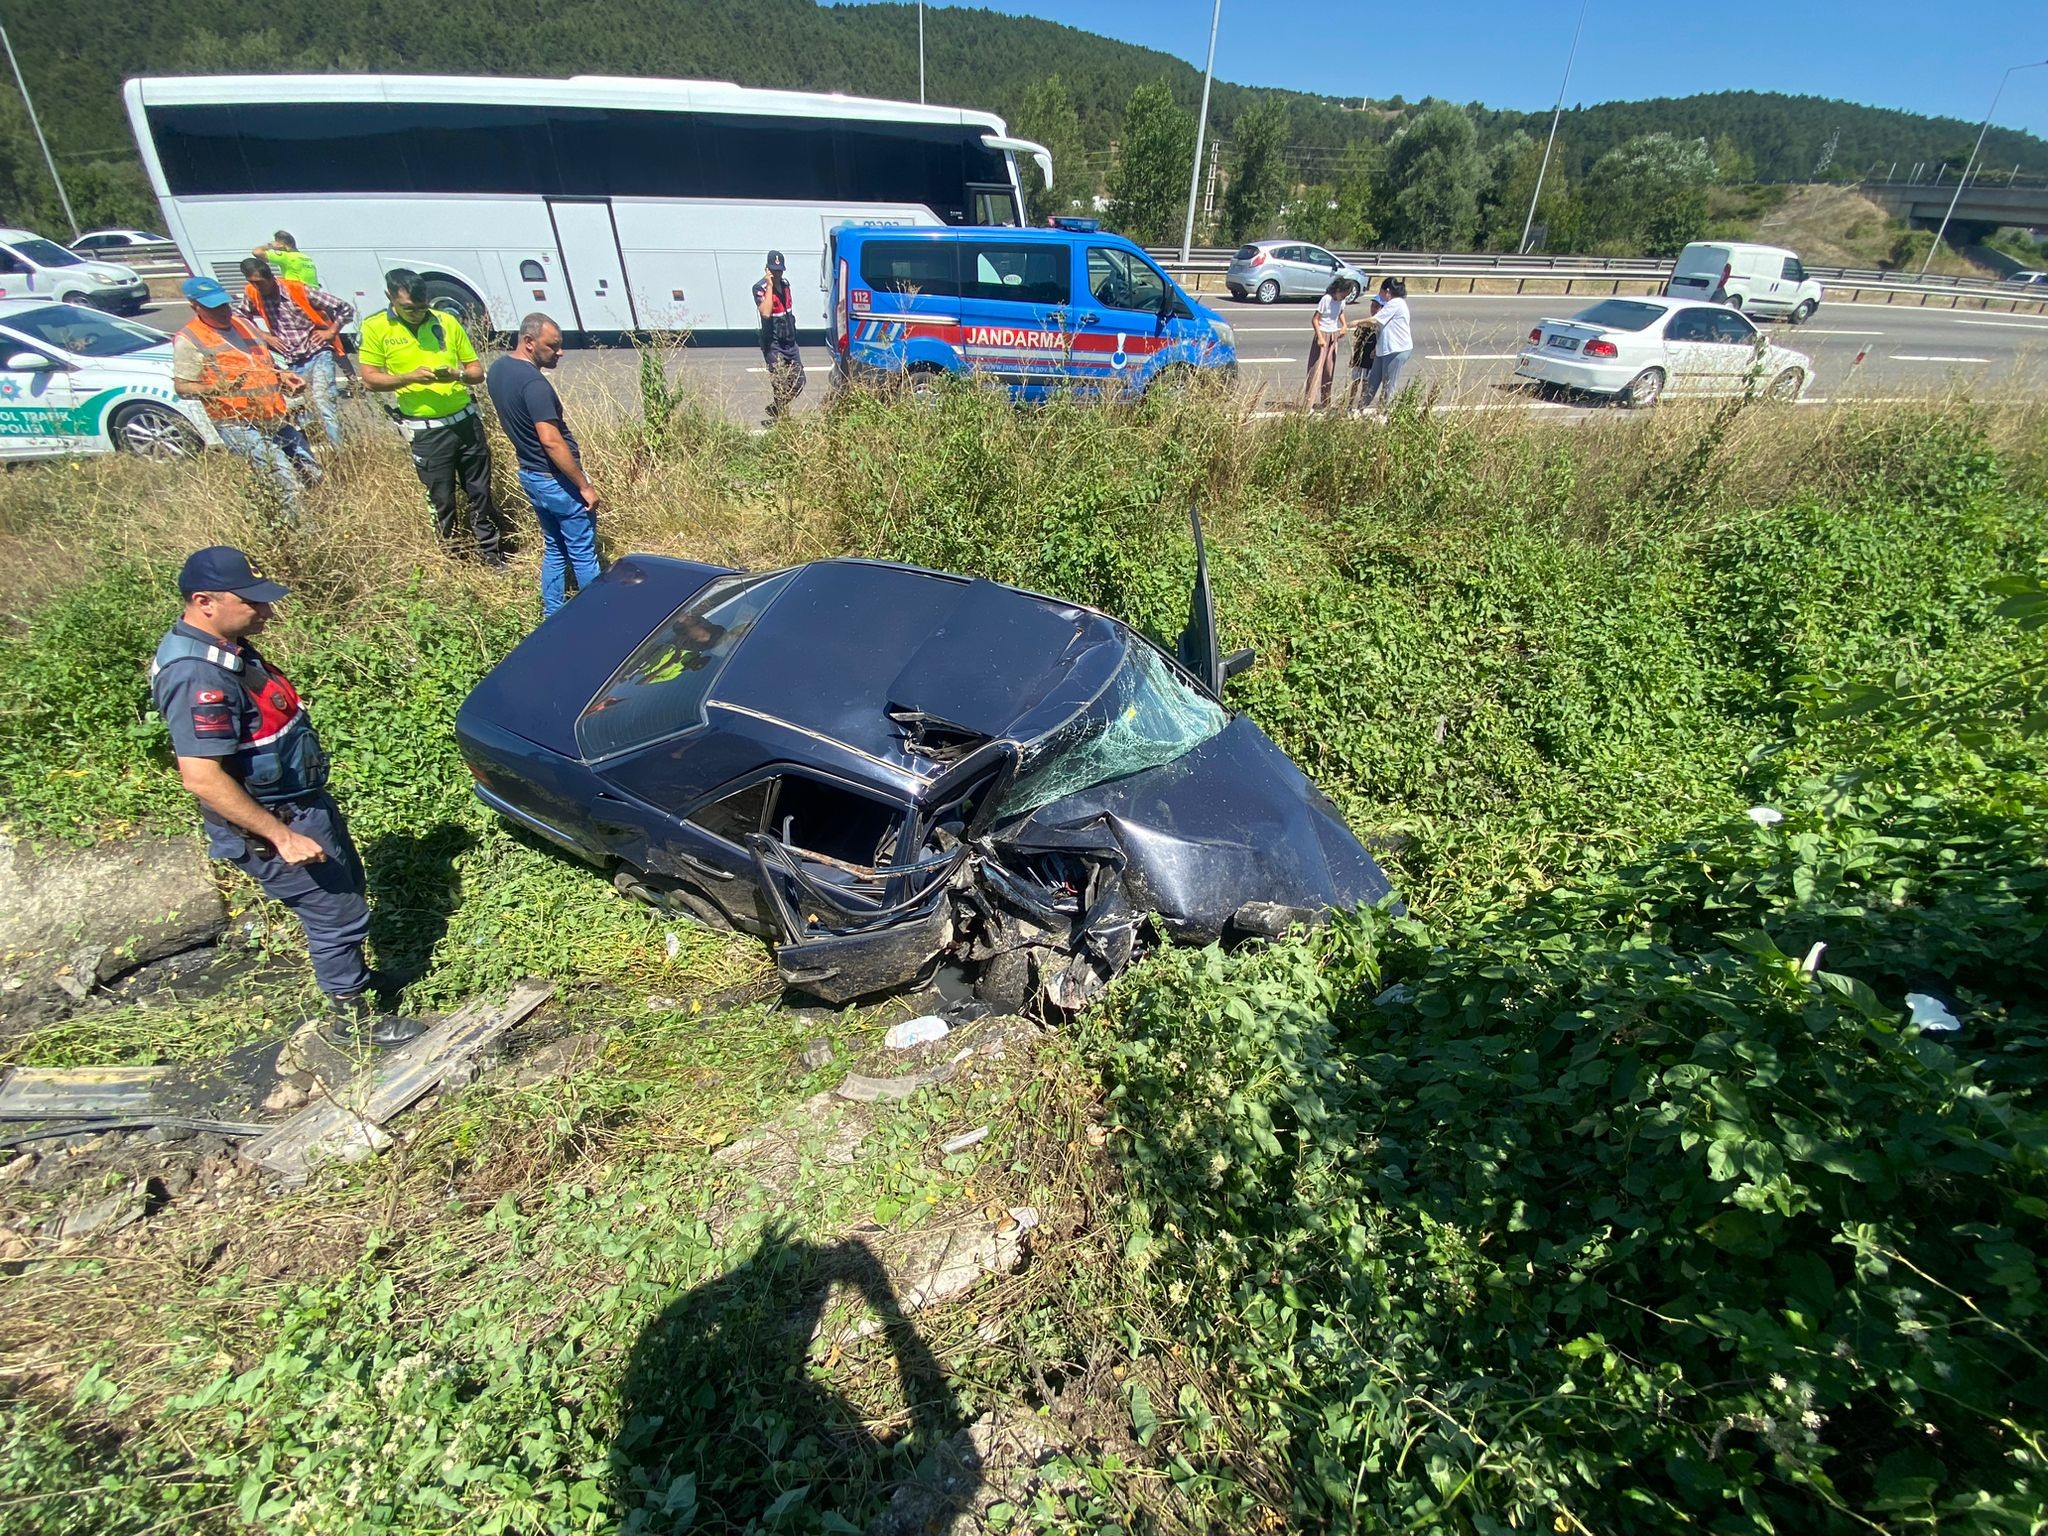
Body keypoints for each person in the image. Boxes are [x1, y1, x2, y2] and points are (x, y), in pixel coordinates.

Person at [150, 547, 422, 1049]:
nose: (267, 612)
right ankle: (353, 1022)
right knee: (334, 914)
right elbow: (202, 777)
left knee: (346, 894)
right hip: (276, 824)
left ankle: (357, 985)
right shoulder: (196, 675)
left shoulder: (224, 644)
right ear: (203, 601)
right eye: (252, 602)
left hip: (301, 804)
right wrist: (282, 837)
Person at [357, 269, 506, 565]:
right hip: (426, 432)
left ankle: (491, 553)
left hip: (465, 422)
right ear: (390, 298)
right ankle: (452, 558)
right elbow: (370, 380)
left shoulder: (446, 322)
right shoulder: (376, 328)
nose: (416, 314)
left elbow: (476, 372)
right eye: (408, 308)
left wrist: (456, 374)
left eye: (422, 307)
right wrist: (408, 378)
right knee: (442, 499)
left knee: (480, 491)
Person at [170, 276, 322, 516]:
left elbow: (263, 363)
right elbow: (183, 387)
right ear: (194, 306)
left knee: (311, 469)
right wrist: (216, 390)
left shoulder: (245, 325)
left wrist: (283, 377)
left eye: (224, 304)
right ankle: (302, 531)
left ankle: (322, 515)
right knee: (283, 477)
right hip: (237, 423)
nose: (222, 312)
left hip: (274, 414)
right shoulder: (189, 340)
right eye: (213, 307)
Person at [487, 313, 602, 617]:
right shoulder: (534, 384)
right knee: (582, 553)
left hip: (530, 474)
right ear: (528, 342)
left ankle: (553, 615)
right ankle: (597, 616)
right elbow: (551, 440)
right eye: (552, 346)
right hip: (556, 480)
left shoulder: (498, 370)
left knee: (554, 547)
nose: (560, 352)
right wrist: (584, 485)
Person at [238, 256, 355, 449]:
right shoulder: (253, 293)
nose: (256, 287)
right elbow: (240, 317)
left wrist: (331, 332)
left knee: (323, 401)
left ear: (270, 278)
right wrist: (264, 336)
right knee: (299, 408)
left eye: (259, 282)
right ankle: (315, 448)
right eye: (251, 282)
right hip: (291, 360)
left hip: (317, 352)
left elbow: (345, 308)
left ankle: (339, 451)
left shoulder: (296, 290)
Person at [752, 251, 804, 423]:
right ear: (767, 269)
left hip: (790, 342)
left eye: (780, 270)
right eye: (774, 270)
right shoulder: (760, 288)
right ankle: (782, 419)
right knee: (780, 383)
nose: (777, 274)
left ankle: (777, 408)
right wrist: (770, 285)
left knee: (799, 381)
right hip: (773, 344)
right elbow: (765, 313)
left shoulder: (786, 284)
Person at [1354, 277, 1415, 414]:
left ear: (1387, 291)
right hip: (1384, 349)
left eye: (1380, 291)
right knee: (1372, 381)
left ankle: (1383, 414)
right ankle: (1360, 410)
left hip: (1396, 350)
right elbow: (1384, 328)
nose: (1380, 295)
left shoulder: (1396, 303)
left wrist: (1356, 322)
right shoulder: (1391, 304)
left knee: (1388, 384)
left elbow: (1376, 321)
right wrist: (1377, 349)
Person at [1303, 277, 1352, 410]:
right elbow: (1315, 319)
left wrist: (1344, 325)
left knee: (1329, 370)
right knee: (1316, 370)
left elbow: (1340, 313)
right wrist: (1320, 337)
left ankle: (1325, 402)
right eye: (1343, 294)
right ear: (1337, 290)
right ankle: (1307, 405)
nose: (1343, 297)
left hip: (1333, 335)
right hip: (1323, 334)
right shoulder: (1326, 299)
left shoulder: (1341, 302)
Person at [1344, 292, 1382, 414]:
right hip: (1359, 356)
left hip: (1371, 359)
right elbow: (1357, 340)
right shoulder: (1365, 323)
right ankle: (1349, 405)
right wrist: (1353, 356)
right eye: (1373, 306)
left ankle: (1361, 406)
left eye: (1377, 307)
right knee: (1355, 381)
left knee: (1366, 382)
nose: (1374, 309)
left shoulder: (1381, 325)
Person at [253, 231, 318, 287]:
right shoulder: (307, 258)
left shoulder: (286, 256)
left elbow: (257, 252)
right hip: (313, 293)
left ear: (281, 244)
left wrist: (270, 246)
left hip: (298, 294)